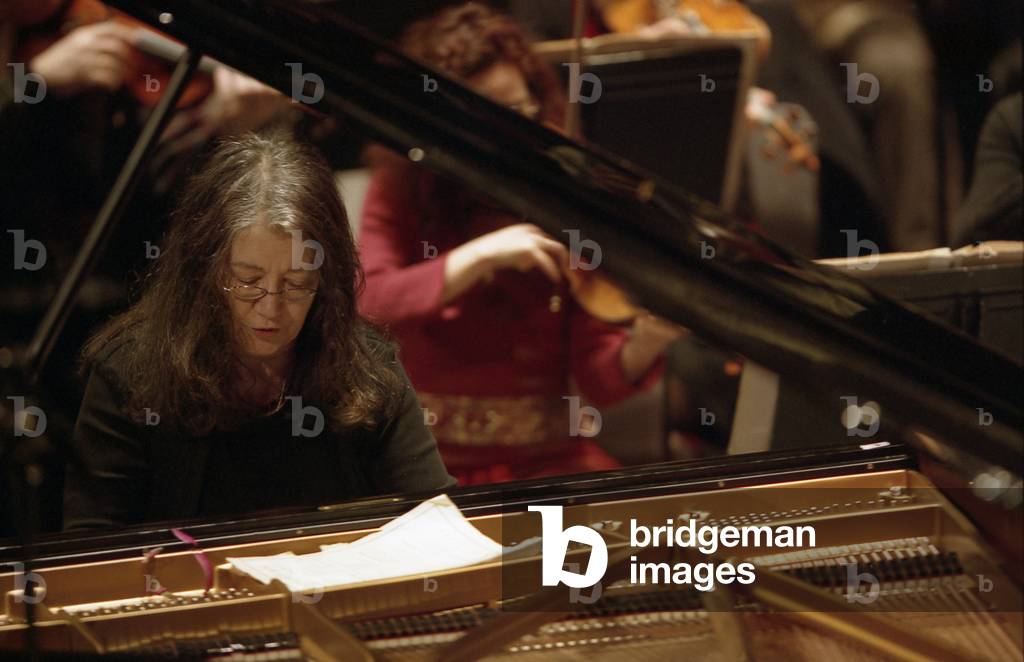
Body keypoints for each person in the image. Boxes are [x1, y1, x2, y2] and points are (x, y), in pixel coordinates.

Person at [357, 3, 681, 485]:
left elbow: (597, 376)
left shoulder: (565, 195)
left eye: (522, 112)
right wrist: (478, 257)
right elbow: (370, 302)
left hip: (547, 464)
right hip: (427, 464)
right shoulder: (402, 186)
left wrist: (647, 341)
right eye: (489, 118)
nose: (514, 135)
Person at [63, 133, 455, 530]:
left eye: (297, 283)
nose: (271, 308)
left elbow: (432, 520)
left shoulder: (369, 368)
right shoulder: (130, 374)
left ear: (327, 278)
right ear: (206, 271)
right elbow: (92, 551)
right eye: (248, 280)